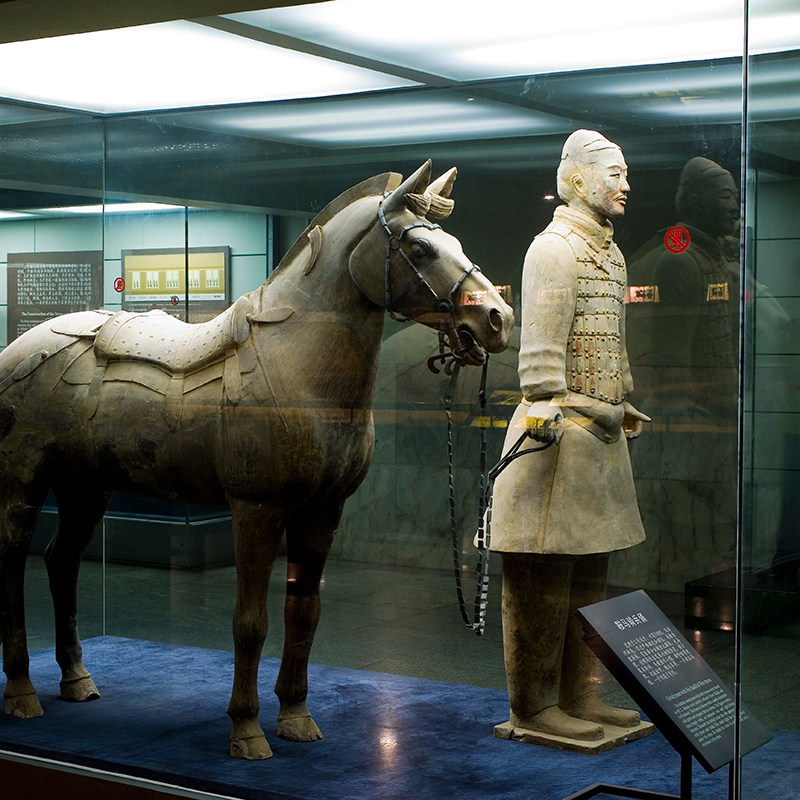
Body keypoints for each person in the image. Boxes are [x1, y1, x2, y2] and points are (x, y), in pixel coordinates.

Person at [490, 130, 648, 743]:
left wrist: (620, 400)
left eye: (626, 173)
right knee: (541, 583)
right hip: (558, 439)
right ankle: (532, 708)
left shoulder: (610, 254)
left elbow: (614, 346)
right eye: (615, 173)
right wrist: (552, 412)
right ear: (578, 180)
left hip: (601, 435)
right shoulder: (552, 250)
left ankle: (578, 699)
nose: (625, 185)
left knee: (590, 580)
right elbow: (539, 365)